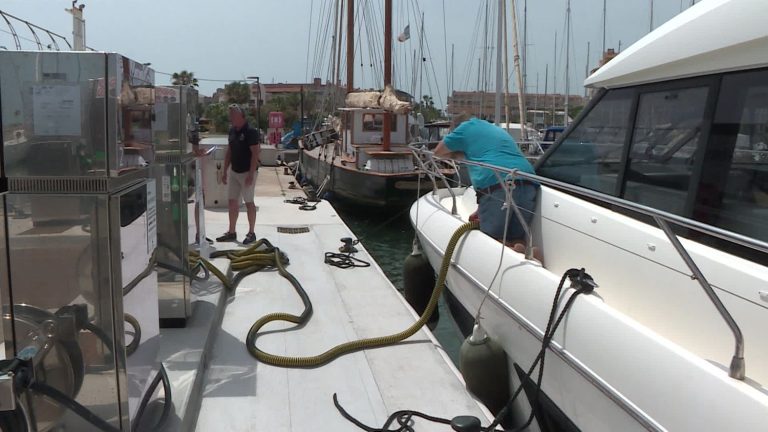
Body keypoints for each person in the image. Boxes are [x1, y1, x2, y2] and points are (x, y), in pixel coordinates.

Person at [435, 112, 538, 247]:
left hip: (498, 183)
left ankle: (513, 252)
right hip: (528, 181)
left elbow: (438, 152)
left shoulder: (464, 128)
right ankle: (526, 252)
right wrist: (480, 210)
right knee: (515, 237)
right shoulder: (494, 128)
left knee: (491, 241)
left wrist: (458, 154)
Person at [216, 104, 261, 245]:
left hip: (247, 171)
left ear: (241, 116)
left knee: (249, 202)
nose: (231, 118)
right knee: (232, 201)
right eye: (230, 115)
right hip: (234, 172)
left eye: (233, 115)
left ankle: (251, 232)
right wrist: (224, 171)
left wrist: (251, 175)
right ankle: (231, 232)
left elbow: (255, 153)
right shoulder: (232, 131)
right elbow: (229, 152)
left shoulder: (251, 131)